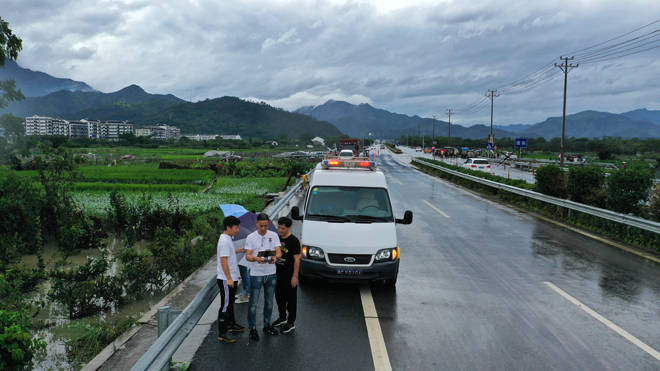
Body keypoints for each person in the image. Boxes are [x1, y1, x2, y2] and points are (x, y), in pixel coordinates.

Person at [245, 213, 282, 341]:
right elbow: (248, 256)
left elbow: (279, 252)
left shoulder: (273, 235)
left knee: (269, 302)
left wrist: (275, 258)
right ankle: (252, 328)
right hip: (256, 274)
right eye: (261, 226)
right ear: (256, 224)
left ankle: (267, 324)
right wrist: (255, 258)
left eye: (266, 226)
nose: (263, 228)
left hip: (271, 273)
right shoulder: (251, 237)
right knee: (253, 302)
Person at [217, 215, 245, 343]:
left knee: (230, 302)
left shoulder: (228, 239)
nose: (238, 230)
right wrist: (229, 278)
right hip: (225, 279)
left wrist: (241, 249)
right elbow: (223, 261)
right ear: (228, 227)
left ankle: (231, 324)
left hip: (231, 277)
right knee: (225, 305)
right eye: (236, 228)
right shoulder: (224, 241)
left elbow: (230, 254)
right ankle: (223, 332)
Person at [272, 217, 301, 333]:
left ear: (289, 228)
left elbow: (297, 260)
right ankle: (282, 317)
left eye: (283, 228)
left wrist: (294, 277)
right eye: (279, 227)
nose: (280, 230)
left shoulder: (294, 241)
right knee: (279, 297)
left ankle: (291, 322)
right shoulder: (276, 239)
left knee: (291, 299)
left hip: (289, 275)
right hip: (277, 274)